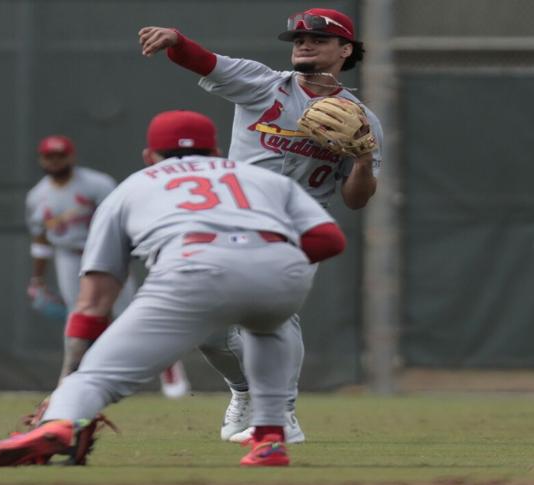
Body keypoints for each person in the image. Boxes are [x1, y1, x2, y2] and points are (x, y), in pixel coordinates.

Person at [0, 110, 346, 468]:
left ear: (149, 156)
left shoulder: (133, 186)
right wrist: (271, 261)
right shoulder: (260, 178)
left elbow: (93, 301)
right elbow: (329, 239)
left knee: (97, 378)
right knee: (268, 327)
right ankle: (271, 438)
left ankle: (59, 421)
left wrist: (68, 381)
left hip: (192, 267)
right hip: (278, 266)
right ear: (217, 152)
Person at [138, 8, 385, 445]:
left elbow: (357, 198)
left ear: (345, 50)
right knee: (210, 330)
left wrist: (363, 159)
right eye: (298, 39)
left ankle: (282, 414)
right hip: (234, 217)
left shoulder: (363, 121)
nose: (304, 45)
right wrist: (175, 39)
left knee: (274, 312)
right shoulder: (263, 84)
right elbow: (204, 62)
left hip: (297, 225)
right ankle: (244, 391)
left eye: (317, 39)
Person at [25, 134, 190, 399]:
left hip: (103, 251)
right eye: (49, 157)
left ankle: (167, 365)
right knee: (78, 317)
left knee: (130, 314)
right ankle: (75, 380)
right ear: (41, 159)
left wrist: (123, 253)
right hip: (68, 255)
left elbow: (120, 219)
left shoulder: (96, 184)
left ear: (71, 156)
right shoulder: (37, 196)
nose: (55, 162)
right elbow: (41, 240)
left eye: (60, 156)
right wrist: (38, 278)